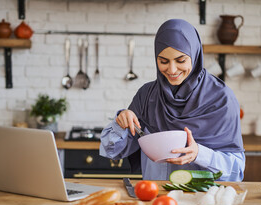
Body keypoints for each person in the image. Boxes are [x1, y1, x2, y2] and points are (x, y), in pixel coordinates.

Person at [99, 19, 245, 181]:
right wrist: (121, 123)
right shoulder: (147, 95)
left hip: (203, 201)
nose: (172, 70)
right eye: (163, 61)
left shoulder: (222, 99)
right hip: (155, 199)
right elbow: (113, 151)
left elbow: (237, 172)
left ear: (195, 55)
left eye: (180, 60)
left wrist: (200, 154)